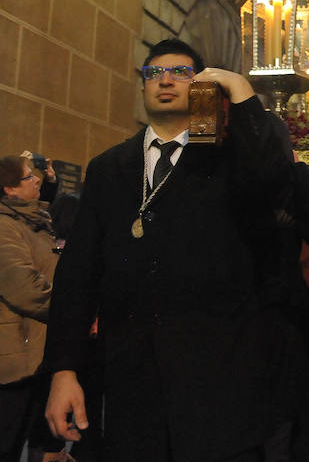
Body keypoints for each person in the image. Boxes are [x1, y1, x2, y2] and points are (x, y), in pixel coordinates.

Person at [43, 38, 296, 461]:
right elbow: (78, 274)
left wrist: (243, 95)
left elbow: (276, 179)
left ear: (201, 86)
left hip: (218, 383)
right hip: (131, 384)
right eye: (154, 73)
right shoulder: (109, 167)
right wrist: (63, 369)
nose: (165, 81)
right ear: (143, 87)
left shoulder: (229, 159)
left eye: (181, 73)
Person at [0, 156, 67, 462]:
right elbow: (23, 287)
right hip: (13, 362)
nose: (37, 180)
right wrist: (68, 310)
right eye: (28, 178)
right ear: (9, 189)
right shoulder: (5, 226)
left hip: (34, 356)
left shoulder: (35, 222)